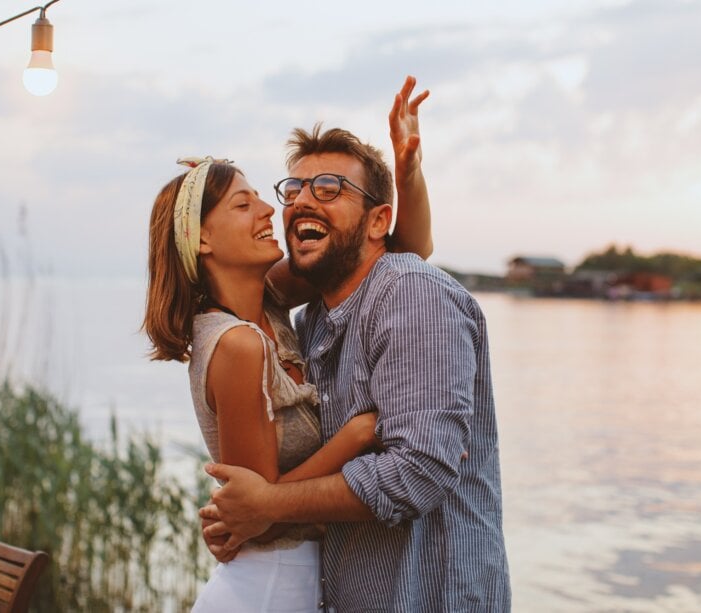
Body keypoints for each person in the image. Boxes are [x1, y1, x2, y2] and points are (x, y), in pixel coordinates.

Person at [200, 110, 512, 610]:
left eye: (328, 188)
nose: (302, 199)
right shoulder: (311, 321)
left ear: (378, 222)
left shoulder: (412, 297)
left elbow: (419, 472)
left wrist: (267, 506)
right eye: (295, 189)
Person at [142, 77, 434, 612]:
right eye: (243, 204)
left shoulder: (268, 300)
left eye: (260, 198)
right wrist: (355, 436)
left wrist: (407, 169)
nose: (268, 211)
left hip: (295, 578)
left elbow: (392, 246)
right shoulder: (237, 344)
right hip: (270, 584)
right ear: (202, 240)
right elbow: (262, 503)